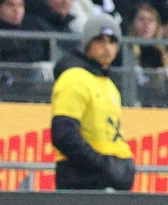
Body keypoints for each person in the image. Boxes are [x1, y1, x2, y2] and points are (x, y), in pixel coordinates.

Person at [51, 13, 136, 191]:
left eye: (112, 42)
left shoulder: (108, 84)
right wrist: (102, 165)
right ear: (87, 44)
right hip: (83, 179)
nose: (107, 48)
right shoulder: (74, 77)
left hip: (104, 178)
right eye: (100, 41)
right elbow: (64, 134)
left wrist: (123, 167)